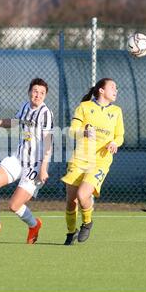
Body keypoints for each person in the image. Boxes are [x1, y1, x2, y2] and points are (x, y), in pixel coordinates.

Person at [0, 78, 53, 244]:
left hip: (35, 167)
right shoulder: (25, 106)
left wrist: (44, 168)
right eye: (35, 91)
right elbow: (12, 122)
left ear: (45, 96)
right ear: (29, 91)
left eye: (42, 93)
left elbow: (48, 143)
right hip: (17, 159)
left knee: (14, 206)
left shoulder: (46, 114)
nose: (38, 95)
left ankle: (34, 224)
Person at [61, 78, 124, 245]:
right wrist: (83, 131)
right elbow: (73, 131)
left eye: (116, 88)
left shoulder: (116, 111)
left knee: (83, 195)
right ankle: (70, 232)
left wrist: (114, 143)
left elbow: (120, 136)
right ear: (101, 90)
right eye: (112, 87)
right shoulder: (84, 107)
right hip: (80, 158)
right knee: (71, 200)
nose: (116, 90)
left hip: (101, 161)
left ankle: (87, 223)